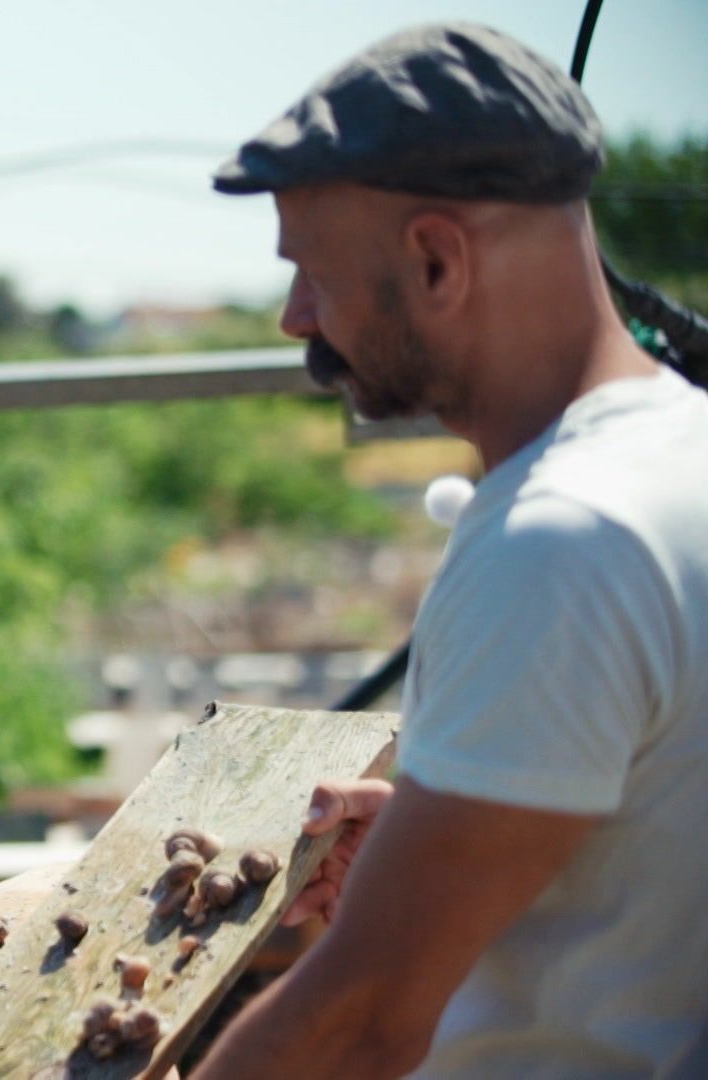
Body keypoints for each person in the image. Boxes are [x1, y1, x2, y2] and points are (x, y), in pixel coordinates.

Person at [192, 22, 708, 1079]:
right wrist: (434, 827)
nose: (297, 319)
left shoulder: (560, 542)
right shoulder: (679, 453)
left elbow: (361, 1022)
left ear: (435, 261)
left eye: (313, 274)